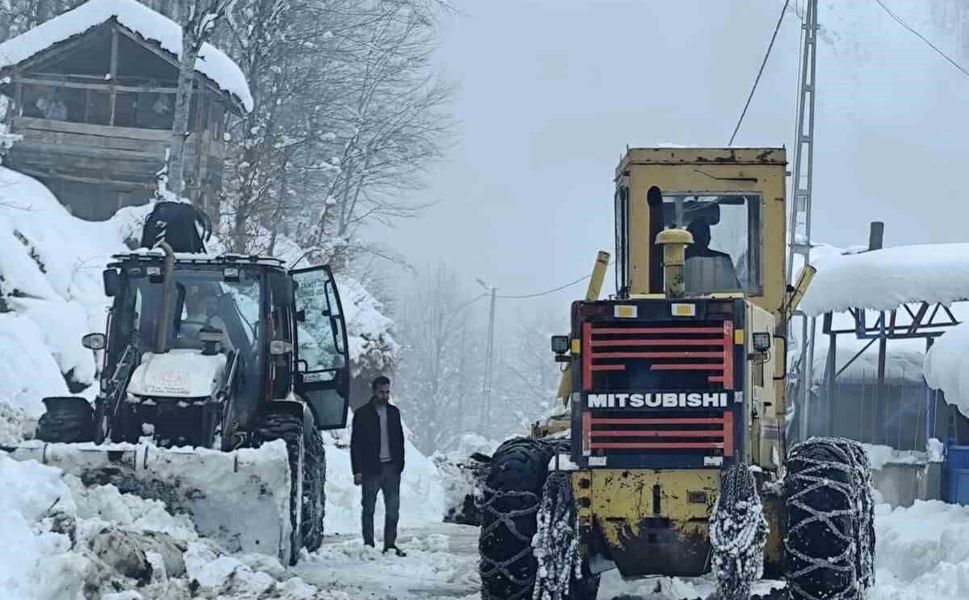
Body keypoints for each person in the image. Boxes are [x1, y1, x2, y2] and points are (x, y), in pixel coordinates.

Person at [351, 375, 406, 556]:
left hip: (391, 468)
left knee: (393, 509)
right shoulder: (362, 414)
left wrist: (400, 464)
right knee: (368, 508)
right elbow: (356, 444)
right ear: (374, 391)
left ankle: (390, 544)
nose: (385, 395)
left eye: (387, 392)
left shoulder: (394, 413)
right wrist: (357, 470)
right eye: (382, 392)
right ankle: (369, 544)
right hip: (370, 469)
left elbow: (399, 440)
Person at [683, 219, 742, 293]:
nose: (708, 237)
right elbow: (737, 291)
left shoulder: (678, 259)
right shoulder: (724, 259)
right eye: (705, 234)